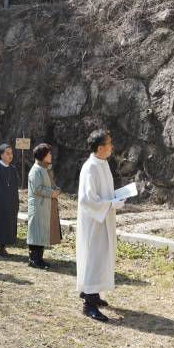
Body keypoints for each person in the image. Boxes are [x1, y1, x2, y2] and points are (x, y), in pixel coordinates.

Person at [76, 130, 123, 322]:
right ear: (100, 147)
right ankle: (89, 304)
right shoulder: (91, 167)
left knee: (101, 255)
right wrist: (112, 203)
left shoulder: (103, 164)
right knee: (94, 257)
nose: (112, 146)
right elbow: (88, 200)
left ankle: (93, 293)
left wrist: (117, 197)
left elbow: (104, 193)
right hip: (94, 221)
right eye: (109, 143)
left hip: (104, 218)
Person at [27, 143, 61, 269]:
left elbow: (51, 184)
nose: (51, 155)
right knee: (36, 233)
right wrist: (52, 193)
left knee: (42, 233)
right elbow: (37, 188)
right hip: (38, 206)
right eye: (48, 153)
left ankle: (39, 259)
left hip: (45, 206)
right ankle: (33, 260)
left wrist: (57, 189)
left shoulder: (45, 168)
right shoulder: (36, 170)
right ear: (42, 156)